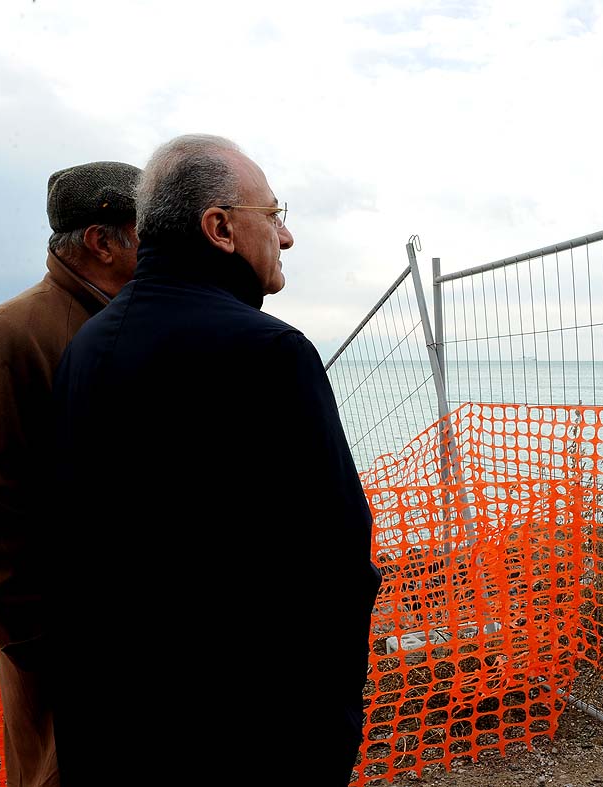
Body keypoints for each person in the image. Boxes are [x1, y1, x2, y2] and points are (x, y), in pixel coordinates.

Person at [49, 135, 382, 786]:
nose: (286, 236)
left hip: (107, 729)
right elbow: (338, 555)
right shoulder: (271, 353)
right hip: (248, 735)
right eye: (273, 214)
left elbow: (71, 542)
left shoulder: (88, 346)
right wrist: (332, 727)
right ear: (220, 228)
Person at [0, 161, 141, 787]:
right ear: (103, 242)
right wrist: (48, 649)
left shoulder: (128, 322)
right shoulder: (10, 335)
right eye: (149, 230)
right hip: (66, 663)